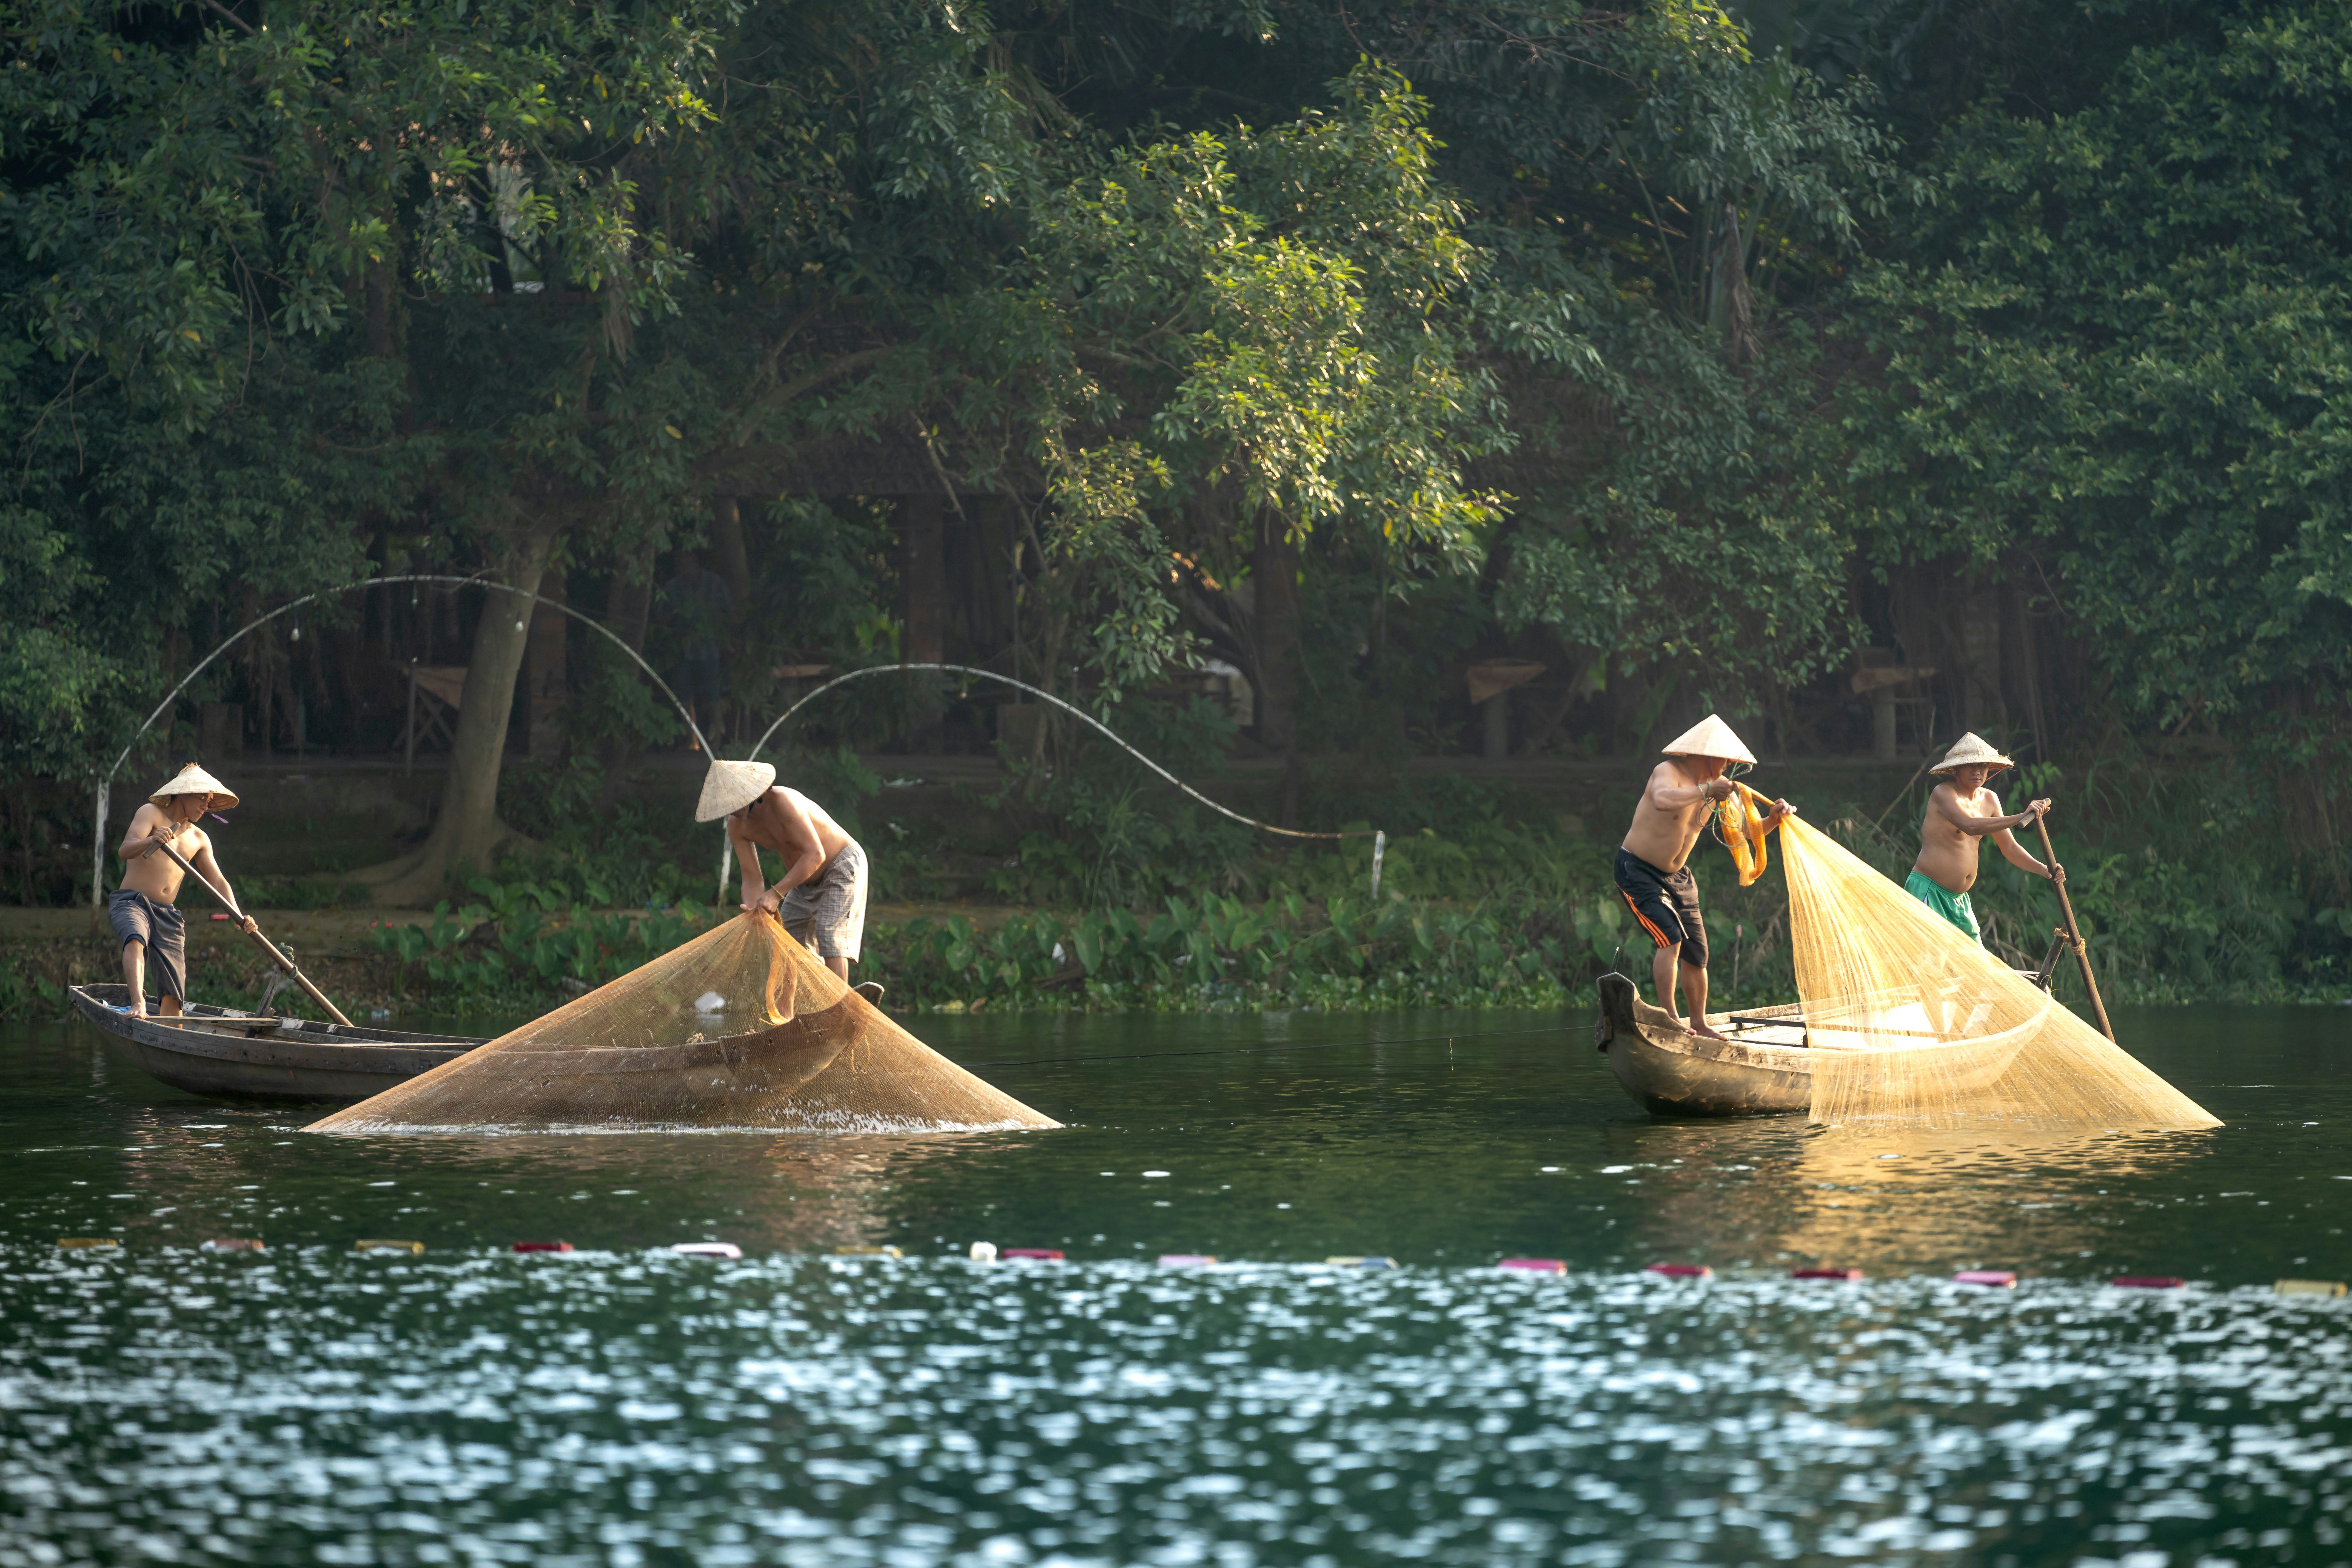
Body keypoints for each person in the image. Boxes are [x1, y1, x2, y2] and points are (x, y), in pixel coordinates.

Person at [1614, 716, 1795, 1041]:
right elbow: (1661, 799)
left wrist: (1772, 819)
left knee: (1697, 952)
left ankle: (1698, 1022)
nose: (1727, 766)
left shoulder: (1722, 792)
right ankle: (1670, 1017)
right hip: (1638, 870)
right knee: (1671, 937)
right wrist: (1706, 790)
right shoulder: (1668, 772)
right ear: (1707, 755)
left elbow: (1743, 835)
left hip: (1679, 876)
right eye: (1724, 759)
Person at [697, 759, 884, 1001]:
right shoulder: (737, 827)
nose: (734, 808)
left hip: (840, 864)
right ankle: (789, 1019)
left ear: (754, 792)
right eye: (728, 804)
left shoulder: (784, 802)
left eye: (737, 799)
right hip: (802, 879)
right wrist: (756, 911)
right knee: (788, 945)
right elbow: (752, 877)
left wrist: (775, 894)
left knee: (829, 931)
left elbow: (816, 855)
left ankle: (841, 1006)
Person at [111, 763, 256, 1019]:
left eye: (209, 801)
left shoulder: (199, 838)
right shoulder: (151, 814)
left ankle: (172, 1037)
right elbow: (125, 850)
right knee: (135, 938)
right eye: (201, 798)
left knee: (174, 989)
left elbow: (219, 882)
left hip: (167, 913)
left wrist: (238, 915)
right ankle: (138, 1004)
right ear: (183, 794)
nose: (206, 806)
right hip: (133, 901)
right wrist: (152, 840)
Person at [1906, 733, 2059, 944]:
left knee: (1977, 967)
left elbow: (2010, 848)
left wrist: (2045, 869)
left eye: (1983, 766)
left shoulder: (1989, 799)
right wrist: (2021, 817)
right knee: (1930, 967)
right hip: (1930, 892)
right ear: (1956, 769)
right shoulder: (1943, 793)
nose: (1978, 771)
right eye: (1970, 766)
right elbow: (1970, 825)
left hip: (1960, 901)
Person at [660, 550, 734, 749]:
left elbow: (729, 614)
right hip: (683, 652)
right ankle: (692, 741)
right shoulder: (673, 588)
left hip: (710, 651)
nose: (687, 568)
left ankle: (716, 740)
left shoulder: (714, 584)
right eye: (682, 564)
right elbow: (662, 619)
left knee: (713, 697)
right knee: (684, 697)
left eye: (690, 563)